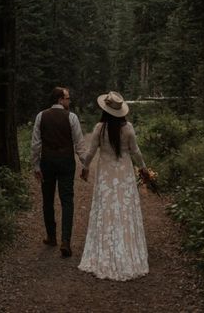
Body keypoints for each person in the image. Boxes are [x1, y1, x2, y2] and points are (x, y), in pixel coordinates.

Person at [78, 91, 149, 280]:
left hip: (106, 175)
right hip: (124, 173)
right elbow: (136, 152)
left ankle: (106, 249)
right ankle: (128, 249)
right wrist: (144, 169)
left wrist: (84, 167)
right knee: (125, 209)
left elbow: (91, 152)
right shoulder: (128, 128)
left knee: (106, 208)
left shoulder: (100, 128)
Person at [31, 86, 86, 258]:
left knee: (47, 200)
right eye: (67, 98)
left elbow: (36, 144)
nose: (69, 101)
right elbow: (79, 144)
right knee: (67, 200)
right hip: (66, 163)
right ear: (60, 99)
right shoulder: (72, 117)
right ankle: (66, 241)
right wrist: (85, 164)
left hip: (47, 162)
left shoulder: (41, 116)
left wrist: (36, 166)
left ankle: (51, 237)